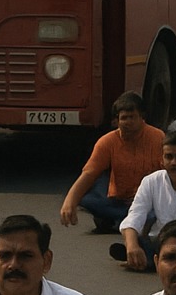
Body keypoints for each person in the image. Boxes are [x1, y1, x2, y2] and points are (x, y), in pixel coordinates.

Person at [59, 91, 166, 234]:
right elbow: (89, 173)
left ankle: (123, 221)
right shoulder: (107, 141)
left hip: (149, 200)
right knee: (86, 199)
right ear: (117, 121)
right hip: (119, 200)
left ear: (142, 118)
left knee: (153, 215)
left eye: (132, 117)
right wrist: (69, 202)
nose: (128, 122)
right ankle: (127, 220)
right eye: (124, 118)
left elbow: (168, 172)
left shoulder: (158, 137)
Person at [113, 132, 176, 271]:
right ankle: (147, 257)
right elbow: (135, 216)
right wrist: (132, 246)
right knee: (135, 238)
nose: (174, 162)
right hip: (159, 240)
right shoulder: (150, 181)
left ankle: (155, 260)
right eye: (169, 157)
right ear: (162, 159)